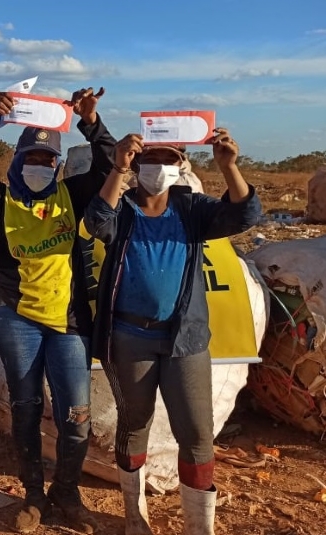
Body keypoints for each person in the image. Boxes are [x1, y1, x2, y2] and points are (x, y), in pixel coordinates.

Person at [84, 129, 261, 535]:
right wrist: (117, 168)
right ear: (137, 163)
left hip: (185, 339)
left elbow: (246, 216)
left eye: (167, 159)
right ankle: (135, 517)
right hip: (129, 337)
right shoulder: (124, 206)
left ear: (181, 166)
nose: (157, 167)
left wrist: (229, 166)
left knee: (196, 432)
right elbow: (96, 222)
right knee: (135, 423)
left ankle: (200, 528)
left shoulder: (192, 209)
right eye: (150, 158)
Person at [0, 88, 117, 533]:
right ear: (17, 158)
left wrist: (91, 121)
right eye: (31, 156)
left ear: (59, 165)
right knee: (25, 408)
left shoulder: (75, 195)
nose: (39, 166)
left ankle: (67, 493)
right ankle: (32, 495)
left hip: (68, 325)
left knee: (76, 413)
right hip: (17, 321)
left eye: (48, 160)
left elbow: (110, 168)